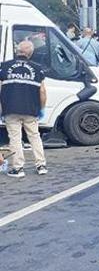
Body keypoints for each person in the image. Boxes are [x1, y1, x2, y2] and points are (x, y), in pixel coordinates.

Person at [1, 41, 47, 177]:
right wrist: (41, 108)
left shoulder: (4, 67)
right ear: (30, 53)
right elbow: (43, 91)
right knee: (34, 136)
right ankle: (41, 165)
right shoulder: (38, 69)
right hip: (31, 108)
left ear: (17, 50)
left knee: (15, 138)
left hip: (11, 108)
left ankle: (18, 168)